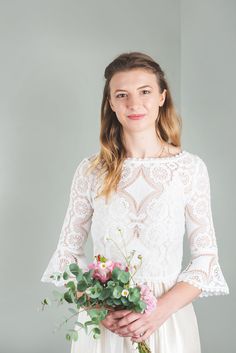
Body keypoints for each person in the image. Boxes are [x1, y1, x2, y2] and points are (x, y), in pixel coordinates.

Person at [41, 51, 229, 353]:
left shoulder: (189, 169)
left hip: (168, 321)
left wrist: (159, 311)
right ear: (111, 104)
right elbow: (66, 254)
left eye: (144, 91)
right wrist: (100, 309)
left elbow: (206, 259)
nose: (134, 103)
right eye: (122, 95)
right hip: (106, 322)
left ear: (161, 97)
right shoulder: (91, 170)